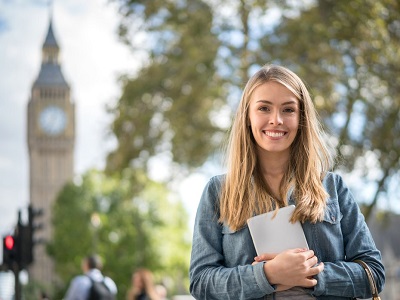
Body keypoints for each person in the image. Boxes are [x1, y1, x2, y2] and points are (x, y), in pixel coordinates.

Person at [189, 64, 385, 299]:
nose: (276, 120)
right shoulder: (218, 191)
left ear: (301, 118)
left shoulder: (333, 187)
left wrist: (309, 275)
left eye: (288, 110)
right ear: (248, 117)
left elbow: (373, 274)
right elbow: (201, 283)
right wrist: (268, 274)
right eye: (264, 108)